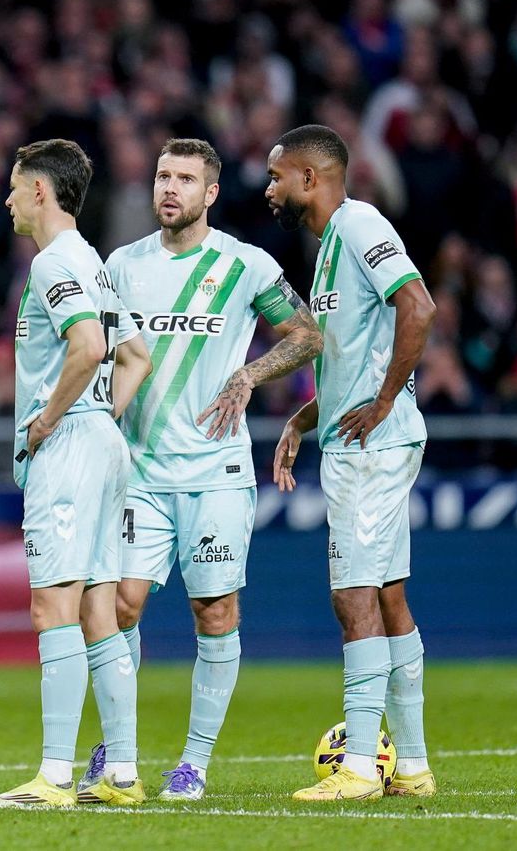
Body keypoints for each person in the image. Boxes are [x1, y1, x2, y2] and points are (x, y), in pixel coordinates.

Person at [92, 138, 321, 801]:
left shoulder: (244, 265)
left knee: (214, 609)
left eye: (186, 179)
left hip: (216, 470)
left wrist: (251, 373)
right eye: (163, 175)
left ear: (210, 193)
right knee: (118, 605)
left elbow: (308, 334)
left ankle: (192, 762)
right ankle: (118, 748)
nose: (170, 188)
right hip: (137, 469)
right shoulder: (121, 265)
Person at [267, 124, 438, 802]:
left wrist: (386, 399)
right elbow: (350, 359)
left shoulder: (361, 223)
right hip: (360, 440)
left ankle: (362, 765)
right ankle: (415, 766)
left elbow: (418, 305)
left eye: (279, 175)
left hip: (373, 446)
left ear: (313, 178)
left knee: (354, 594)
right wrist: (304, 418)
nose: (271, 186)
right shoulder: (331, 246)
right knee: (388, 593)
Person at [0, 140, 152, 809]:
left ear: (42, 193)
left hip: (73, 446)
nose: (8, 199)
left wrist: (54, 417)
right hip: (104, 443)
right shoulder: (97, 265)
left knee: (52, 603)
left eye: (16, 187)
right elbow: (135, 356)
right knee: (97, 611)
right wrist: (97, 416)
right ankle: (122, 772)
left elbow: (89, 345)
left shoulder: (56, 261)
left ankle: (53, 776)